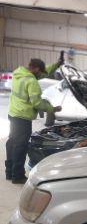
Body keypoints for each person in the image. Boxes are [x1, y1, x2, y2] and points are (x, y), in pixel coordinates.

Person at [6, 51, 64, 184]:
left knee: (12, 143)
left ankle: (9, 172)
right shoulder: (32, 82)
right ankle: (17, 176)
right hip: (23, 118)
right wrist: (52, 109)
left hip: (13, 114)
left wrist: (57, 64)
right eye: (40, 72)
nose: (41, 75)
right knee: (21, 146)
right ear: (36, 69)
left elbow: (45, 72)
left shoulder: (19, 74)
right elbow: (37, 103)